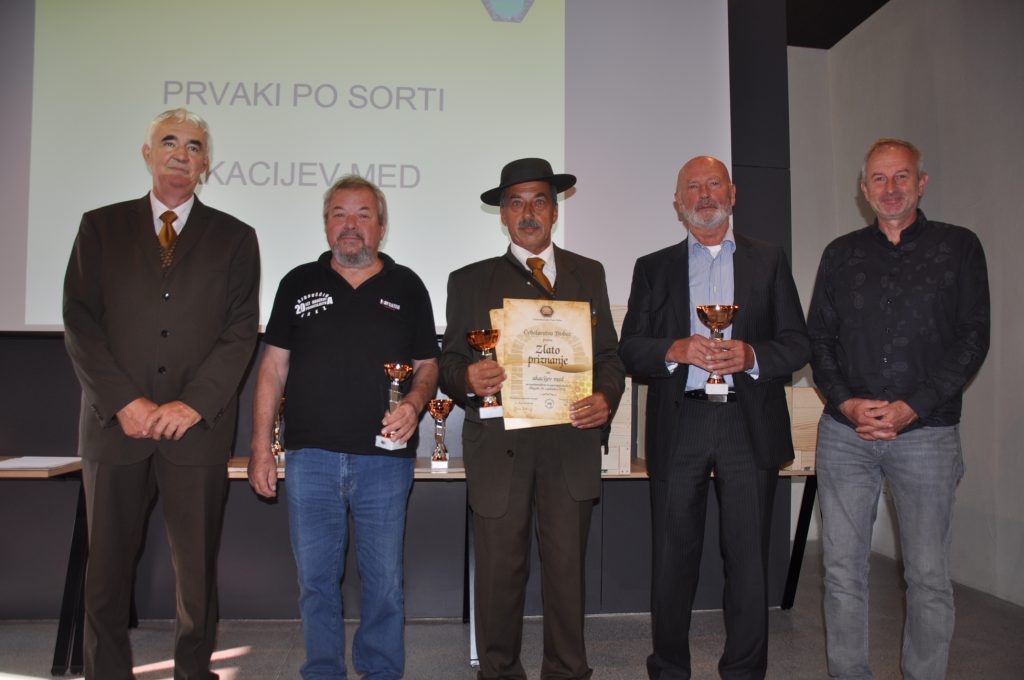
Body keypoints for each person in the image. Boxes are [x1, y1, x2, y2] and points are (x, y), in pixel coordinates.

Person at [62, 108, 261, 679]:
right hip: (115, 427)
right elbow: (80, 322)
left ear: (206, 163)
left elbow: (239, 331)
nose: (181, 153)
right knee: (105, 576)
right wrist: (124, 401)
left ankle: (193, 672)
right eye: (169, 142)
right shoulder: (100, 227)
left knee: (195, 576)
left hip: (195, 431)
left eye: (193, 146)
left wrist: (191, 405)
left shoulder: (235, 237)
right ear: (147, 154)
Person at [619, 155, 809, 680]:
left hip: (747, 423)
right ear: (677, 203)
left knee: (748, 562)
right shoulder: (652, 267)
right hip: (681, 422)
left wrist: (751, 356)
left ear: (732, 193)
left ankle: (744, 672)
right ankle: (668, 669)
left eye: (713, 184)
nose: (704, 195)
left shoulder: (768, 260)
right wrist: (674, 349)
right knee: (672, 560)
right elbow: (630, 348)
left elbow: (797, 343)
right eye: (692, 187)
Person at [807, 138, 990, 680]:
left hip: (928, 434)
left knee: (928, 576)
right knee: (842, 571)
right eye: (879, 179)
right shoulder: (840, 254)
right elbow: (820, 339)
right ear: (863, 190)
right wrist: (845, 403)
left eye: (901, 176)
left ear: (921, 183)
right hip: (846, 436)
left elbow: (972, 338)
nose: (890, 188)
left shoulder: (960, 247)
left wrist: (915, 406)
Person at [439, 158, 625, 679]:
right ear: (502, 215)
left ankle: (567, 671)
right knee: (499, 575)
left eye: (539, 201)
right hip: (501, 447)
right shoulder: (469, 281)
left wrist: (606, 397)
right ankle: (498, 672)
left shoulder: (589, 273)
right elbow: (449, 364)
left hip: (571, 442)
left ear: (555, 210)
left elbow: (610, 358)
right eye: (516, 203)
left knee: (567, 575)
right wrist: (467, 378)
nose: (528, 213)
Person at [248, 175, 439, 680]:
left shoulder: (408, 286)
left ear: (381, 226)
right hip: (310, 458)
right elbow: (272, 369)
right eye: (339, 214)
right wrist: (261, 447)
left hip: (385, 461)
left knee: (384, 584)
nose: (350, 225)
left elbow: (427, 365)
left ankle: (381, 672)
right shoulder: (297, 283)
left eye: (362, 214)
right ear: (326, 224)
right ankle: (323, 672)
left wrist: (415, 403)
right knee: (315, 582)